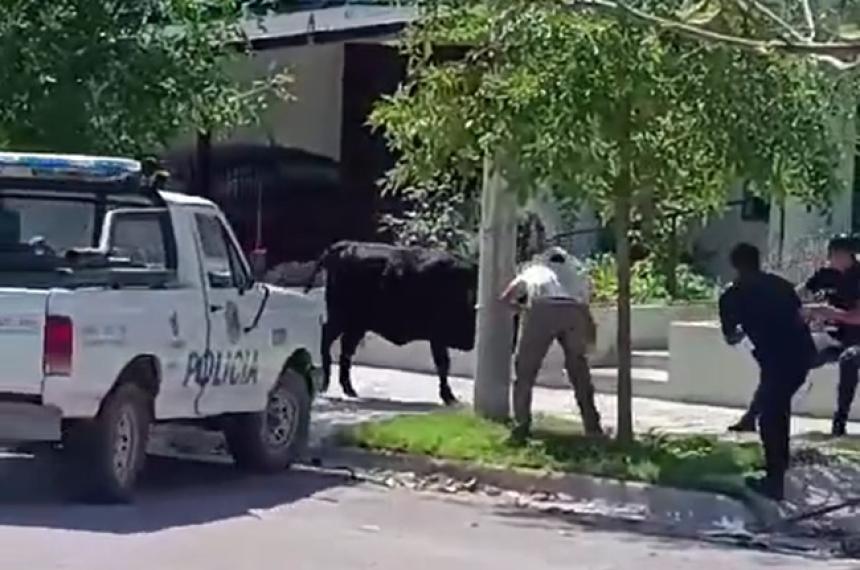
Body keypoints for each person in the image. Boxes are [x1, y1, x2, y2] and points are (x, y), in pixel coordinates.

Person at [729, 235, 860, 436]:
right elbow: (796, 295)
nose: (832, 258)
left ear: (847, 255)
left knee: (849, 359)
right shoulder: (825, 275)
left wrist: (827, 311)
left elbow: (857, 317)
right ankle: (752, 417)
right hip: (831, 338)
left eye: (836, 254)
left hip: (856, 339)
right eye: (831, 254)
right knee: (784, 361)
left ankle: (839, 421)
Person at [719, 243, 815, 501]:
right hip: (800, 354)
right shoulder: (781, 285)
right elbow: (799, 316)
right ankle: (777, 469)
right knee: (776, 409)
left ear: (735, 265)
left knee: (772, 417)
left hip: (776, 359)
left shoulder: (732, 295)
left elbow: (730, 336)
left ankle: (775, 481)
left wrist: (745, 330)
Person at [501, 246, 603, 442]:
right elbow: (586, 307)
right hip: (575, 311)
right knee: (578, 370)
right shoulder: (577, 273)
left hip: (542, 307)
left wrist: (522, 310)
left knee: (525, 371)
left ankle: (521, 427)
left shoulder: (534, 270)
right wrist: (591, 336)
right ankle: (593, 427)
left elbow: (506, 298)